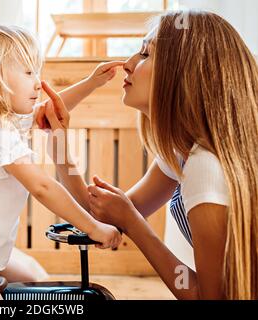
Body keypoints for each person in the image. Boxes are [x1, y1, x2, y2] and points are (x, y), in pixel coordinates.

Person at [36, 11, 258, 300]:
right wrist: (58, 143)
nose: (127, 64)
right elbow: (100, 217)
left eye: (145, 54)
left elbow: (211, 297)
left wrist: (134, 224)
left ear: (181, 74)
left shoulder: (206, 167)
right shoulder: (180, 153)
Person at [0, 24, 123, 300]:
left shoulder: (0, 121)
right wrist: (93, 226)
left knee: (36, 281)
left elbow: (48, 111)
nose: (38, 82)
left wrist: (92, 82)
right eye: (28, 72)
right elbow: (42, 186)